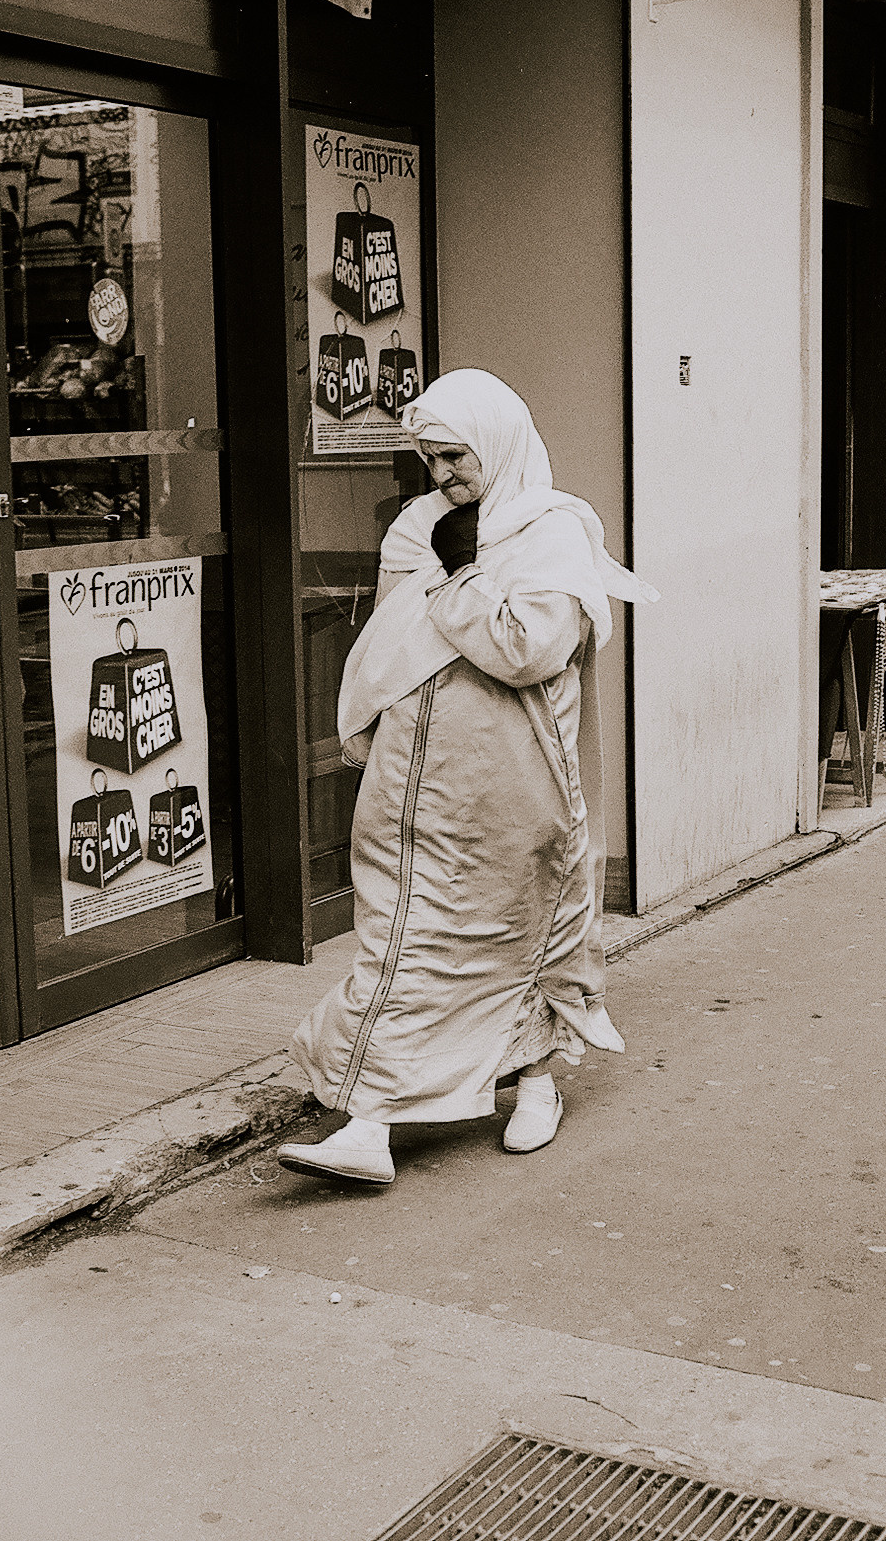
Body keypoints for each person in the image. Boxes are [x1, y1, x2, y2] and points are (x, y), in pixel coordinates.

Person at [279, 369, 658, 1184]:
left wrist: (462, 577)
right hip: (411, 788)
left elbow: (528, 651)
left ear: (497, 443)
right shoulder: (420, 526)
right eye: (429, 459)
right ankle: (369, 1125)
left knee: (515, 936)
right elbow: (390, 638)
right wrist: (370, 721)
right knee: (400, 941)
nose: (442, 475)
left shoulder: (553, 532)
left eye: (455, 456)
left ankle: (535, 1083)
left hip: (513, 790)